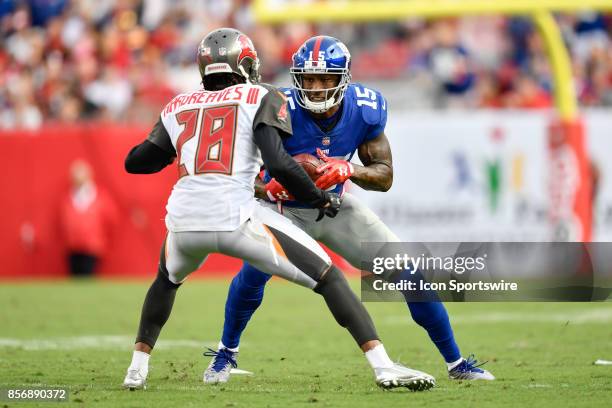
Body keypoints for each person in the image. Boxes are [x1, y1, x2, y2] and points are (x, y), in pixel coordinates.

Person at [121, 28, 435, 391]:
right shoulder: (261, 95)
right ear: (247, 63)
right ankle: (383, 366)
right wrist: (320, 199)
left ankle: (136, 370)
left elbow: (136, 162)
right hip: (237, 217)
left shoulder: (179, 104)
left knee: (166, 281)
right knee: (330, 277)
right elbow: (281, 164)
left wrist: (180, 145)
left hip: (183, 222)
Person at [204, 35, 495, 384]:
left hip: (332, 207)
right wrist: (269, 186)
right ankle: (225, 355)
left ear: (343, 78)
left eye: (325, 79)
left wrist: (349, 169)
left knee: (409, 274)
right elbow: (232, 172)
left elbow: (384, 176)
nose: (315, 88)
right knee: (253, 274)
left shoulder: (365, 108)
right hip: (282, 209)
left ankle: (457, 363)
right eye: (308, 79)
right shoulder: (275, 104)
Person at [59, 159, 118, 277]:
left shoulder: (98, 195)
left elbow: (110, 219)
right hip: (73, 246)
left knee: (88, 277)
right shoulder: (69, 196)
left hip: (92, 246)